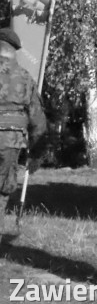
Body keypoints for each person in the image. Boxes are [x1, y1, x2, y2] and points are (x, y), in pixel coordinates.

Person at [0, 28, 46, 238]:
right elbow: (38, 122)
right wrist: (36, 153)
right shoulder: (26, 79)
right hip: (9, 144)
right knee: (1, 193)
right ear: (14, 52)